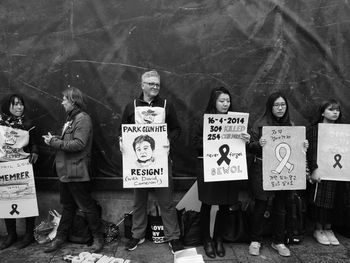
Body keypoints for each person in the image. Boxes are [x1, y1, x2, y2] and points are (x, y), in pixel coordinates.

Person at [120, 70, 183, 254]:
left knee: (167, 202)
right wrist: (121, 141)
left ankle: (173, 237)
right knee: (139, 201)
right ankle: (137, 235)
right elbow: (122, 131)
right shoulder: (130, 106)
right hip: (136, 164)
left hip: (161, 162)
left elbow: (177, 129)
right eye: (151, 83)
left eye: (157, 84)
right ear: (142, 85)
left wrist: (168, 140)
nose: (155, 86)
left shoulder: (166, 105)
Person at [43, 87, 104, 253]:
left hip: (77, 171)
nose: (62, 102)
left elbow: (79, 144)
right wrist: (55, 139)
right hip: (66, 172)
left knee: (87, 206)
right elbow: (69, 141)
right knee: (68, 207)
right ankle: (60, 238)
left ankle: (98, 238)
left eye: (64, 99)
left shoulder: (82, 119)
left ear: (73, 101)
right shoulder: (72, 118)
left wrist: (54, 143)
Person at [247, 91, 308, 257]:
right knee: (260, 205)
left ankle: (278, 241)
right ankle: (255, 240)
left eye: (283, 105)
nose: (280, 108)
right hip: (261, 168)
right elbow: (249, 146)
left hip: (283, 173)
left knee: (281, 206)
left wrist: (303, 145)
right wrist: (258, 144)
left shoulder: (291, 126)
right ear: (270, 107)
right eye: (276, 105)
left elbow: (295, 151)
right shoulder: (260, 124)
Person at [192, 87, 250, 258]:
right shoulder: (204, 120)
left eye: (227, 101)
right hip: (209, 167)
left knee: (225, 204)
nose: (225, 104)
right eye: (221, 101)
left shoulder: (236, 121)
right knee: (207, 204)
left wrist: (246, 139)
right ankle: (206, 239)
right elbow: (195, 143)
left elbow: (242, 144)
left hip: (229, 168)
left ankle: (218, 239)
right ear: (214, 102)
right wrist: (212, 140)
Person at [0, 94, 38, 249]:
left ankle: (28, 235)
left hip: (23, 166)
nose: (19, 107)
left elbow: (35, 143)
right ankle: (11, 235)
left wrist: (35, 152)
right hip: (5, 167)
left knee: (27, 200)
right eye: (15, 104)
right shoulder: (1, 123)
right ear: (7, 106)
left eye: (21, 104)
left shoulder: (28, 123)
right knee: (7, 199)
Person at [306, 99, 342, 246]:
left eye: (337, 110)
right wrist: (314, 169)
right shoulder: (314, 130)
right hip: (320, 170)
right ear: (322, 112)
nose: (335, 112)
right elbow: (311, 151)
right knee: (320, 199)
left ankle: (329, 228)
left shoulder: (343, 131)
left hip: (338, 170)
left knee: (335, 199)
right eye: (330, 109)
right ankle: (318, 229)